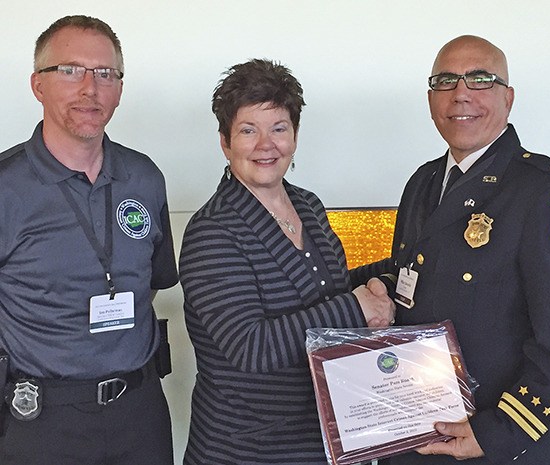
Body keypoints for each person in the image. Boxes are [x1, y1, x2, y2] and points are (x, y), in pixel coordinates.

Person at [351, 35, 550, 465]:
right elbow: (416, 275)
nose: (461, 93)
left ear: (508, 98)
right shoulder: (424, 182)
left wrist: (497, 434)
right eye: (445, 80)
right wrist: (350, 288)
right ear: (431, 99)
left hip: (497, 444)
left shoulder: (549, 192)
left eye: (480, 79)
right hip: (417, 429)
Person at [179, 58, 396, 465]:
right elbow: (250, 346)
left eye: (279, 128)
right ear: (225, 142)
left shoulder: (307, 206)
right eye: (248, 130)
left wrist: (391, 273)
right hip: (246, 450)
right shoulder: (212, 231)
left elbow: (326, 288)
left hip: (321, 442)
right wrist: (357, 307)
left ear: (294, 136)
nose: (266, 144)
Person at [0, 15, 178, 465]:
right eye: (71, 70)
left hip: (139, 411)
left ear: (119, 88)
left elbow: (150, 282)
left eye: (105, 74)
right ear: (38, 84)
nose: (90, 88)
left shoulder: (144, 177)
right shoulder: (6, 186)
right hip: (40, 419)